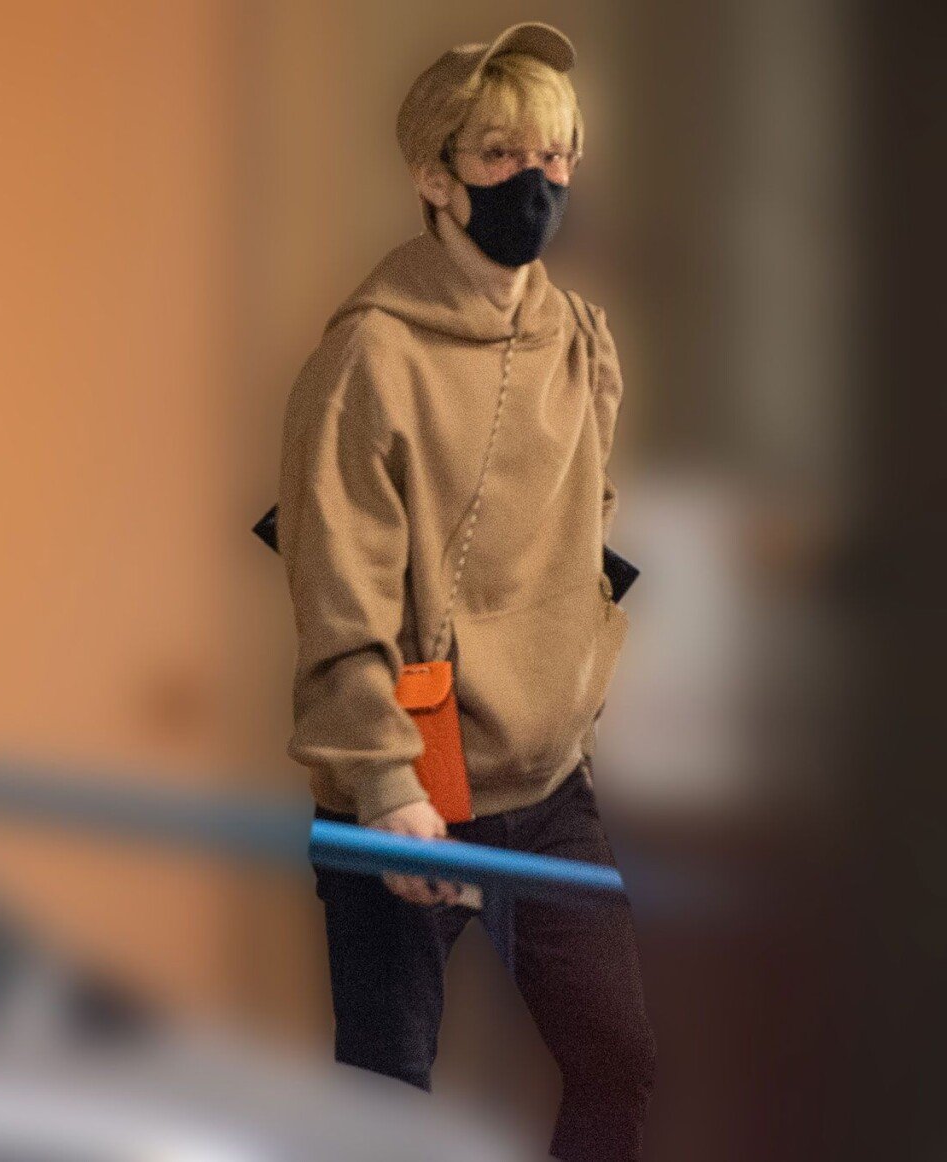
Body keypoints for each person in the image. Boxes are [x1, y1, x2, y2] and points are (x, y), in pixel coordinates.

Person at [275, 21, 657, 1162]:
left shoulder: (579, 341)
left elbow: (585, 534)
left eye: (556, 157)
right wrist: (385, 783)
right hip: (407, 782)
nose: (535, 183)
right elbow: (338, 592)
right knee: (384, 1098)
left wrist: (578, 686)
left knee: (615, 1059)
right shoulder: (365, 361)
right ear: (433, 177)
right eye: (499, 155)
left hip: (546, 787)